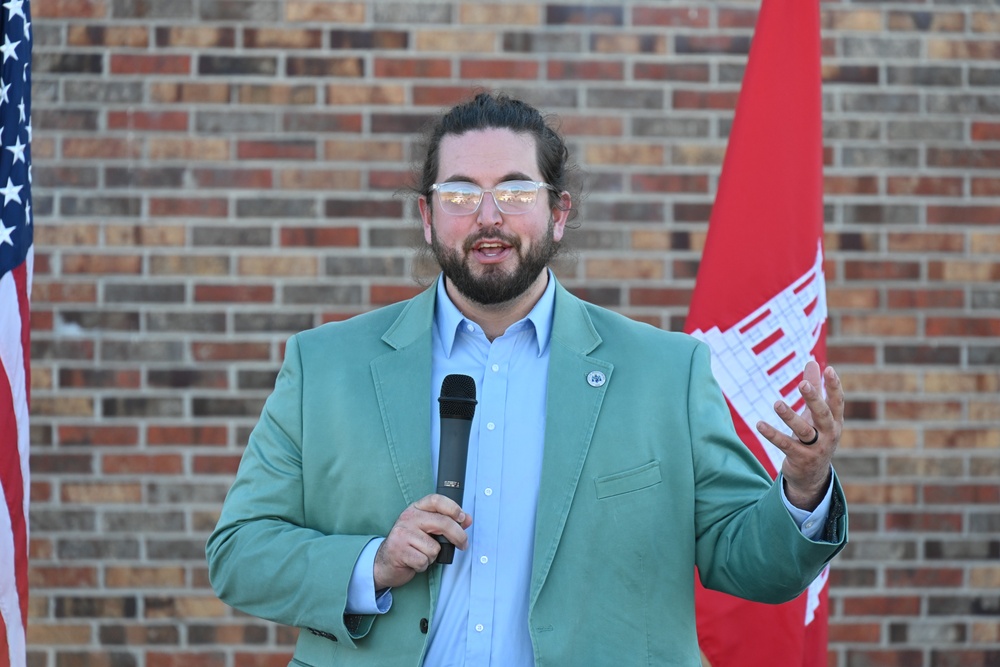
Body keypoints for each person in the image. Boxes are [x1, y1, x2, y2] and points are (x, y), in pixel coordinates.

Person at [206, 92, 847, 667]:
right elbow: (239, 553)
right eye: (460, 194)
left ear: (558, 213)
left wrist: (803, 487)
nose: (489, 216)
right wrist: (371, 562)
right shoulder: (325, 367)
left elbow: (750, 562)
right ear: (428, 217)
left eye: (514, 192)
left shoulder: (665, 372)